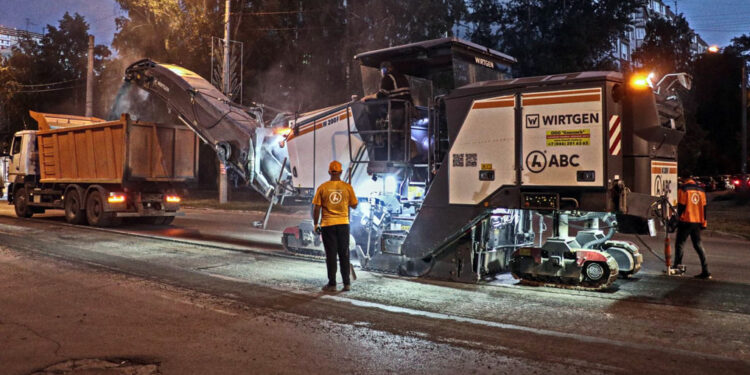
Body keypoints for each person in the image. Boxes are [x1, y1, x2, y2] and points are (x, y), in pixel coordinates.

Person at [313, 161, 358, 291]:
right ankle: (347, 284)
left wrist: (316, 224)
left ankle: (332, 284)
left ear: (329, 172)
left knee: (331, 255)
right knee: (344, 254)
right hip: (343, 224)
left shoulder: (323, 187)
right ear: (341, 172)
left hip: (328, 225)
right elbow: (354, 205)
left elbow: (317, 208)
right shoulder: (347, 187)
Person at [674, 173, 711, 279]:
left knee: (680, 244)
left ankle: (678, 267)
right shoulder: (701, 190)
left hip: (686, 221)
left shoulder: (683, 189)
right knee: (698, 246)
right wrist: (704, 222)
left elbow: (681, 206)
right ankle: (706, 270)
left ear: (684, 179)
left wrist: (677, 219)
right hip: (697, 222)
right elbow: (704, 208)